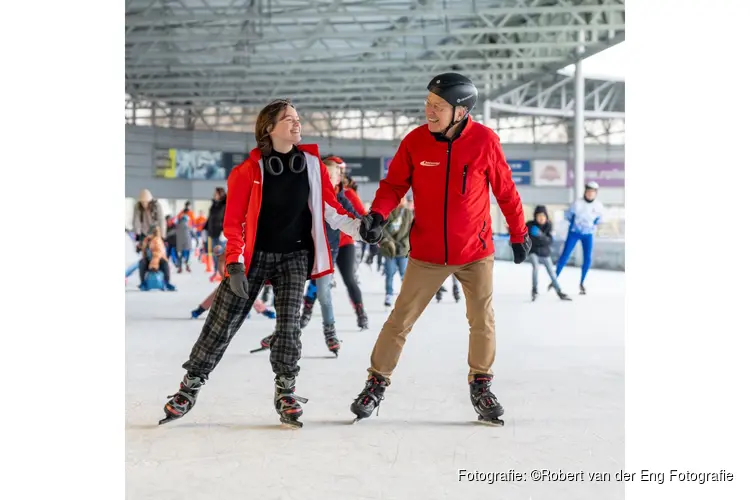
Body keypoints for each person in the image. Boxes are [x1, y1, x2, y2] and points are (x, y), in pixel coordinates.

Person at [160, 98, 362, 429]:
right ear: (268, 128)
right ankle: (189, 387)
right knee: (222, 321)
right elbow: (234, 223)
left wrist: (362, 229)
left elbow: (331, 211)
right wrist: (235, 264)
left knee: (288, 327)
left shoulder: (311, 165)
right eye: (288, 119)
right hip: (255, 256)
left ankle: (286, 391)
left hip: (295, 256)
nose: (297, 124)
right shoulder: (247, 172)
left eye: (298, 118)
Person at [351, 72, 531, 425]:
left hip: (475, 251)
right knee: (400, 319)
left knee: (482, 319)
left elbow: (506, 192)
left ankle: (481, 383)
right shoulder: (416, 142)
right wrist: (377, 214)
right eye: (428, 103)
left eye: (437, 106)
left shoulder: (485, 142)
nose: (428, 111)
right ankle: (376, 383)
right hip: (428, 253)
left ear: (460, 112)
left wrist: (518, 233)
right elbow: (393, 185)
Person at [291, 159, 358, 356]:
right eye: (325, 175)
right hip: (302, 250)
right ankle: (285, 330)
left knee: (324, 294)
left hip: (326, 252)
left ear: (339, 178)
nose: (328, 179)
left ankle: (330, 332)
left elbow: (355, 218)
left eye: (332, 175)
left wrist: (371, 227)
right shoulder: (309, 195)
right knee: (291, 293)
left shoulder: (341, 199)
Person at [550, 181, 604, 295]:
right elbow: (568, 216)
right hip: (574, 233)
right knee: (565, 255)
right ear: (585, 191)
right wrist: (576, 226)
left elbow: (599, 220)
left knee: (587, 258)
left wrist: (591, 226)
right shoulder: (577, 203)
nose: (590, 194)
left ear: (596, 193)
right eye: (588, 191)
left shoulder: (599, 206)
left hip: (588, 234)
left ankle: (582, 282)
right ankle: (554, 279)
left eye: (592, 192)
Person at [527, 205, 571, 301]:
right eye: (539, 216)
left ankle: (559, 291)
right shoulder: (530, 225)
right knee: (535, 266)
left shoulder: (548, 226)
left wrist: (540, 236)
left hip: (544, 252)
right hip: (533, 251)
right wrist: (541, 239)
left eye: (543, 216)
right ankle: (534, 290)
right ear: (535, 216)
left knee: (551, 272)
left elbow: (549, 241)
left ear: (546, 217)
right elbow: (528, 239)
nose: (541, 218)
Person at [379, 196, 413, 307]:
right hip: (389, 249)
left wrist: (401, 243)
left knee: (405, 274)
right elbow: (383, 229)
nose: (400, 200)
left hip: (403, 249)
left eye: (402, 198)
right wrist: (391, 242)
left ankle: (406, 296)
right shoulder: (387, 213)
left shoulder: (408, 213)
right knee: (389, 273)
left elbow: (410, 230)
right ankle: (389, 294)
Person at [138, 225, 176, 291]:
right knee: (142, 262)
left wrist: (154, 266)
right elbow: (144, 251)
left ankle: (166, 282)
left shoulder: (157, 241)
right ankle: (143, 282)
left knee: (165, 263)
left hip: (158, 259)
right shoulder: (146, 240)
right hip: (149, 259)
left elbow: (157, 254)